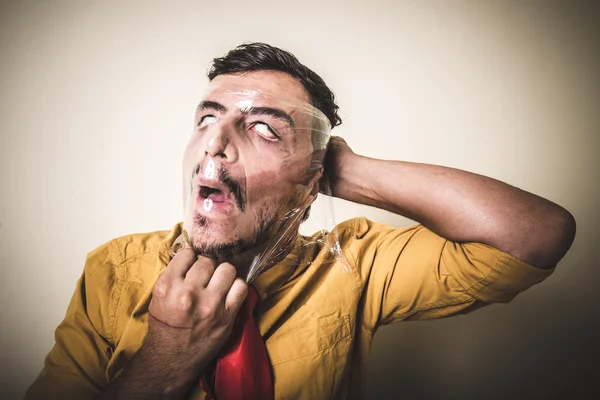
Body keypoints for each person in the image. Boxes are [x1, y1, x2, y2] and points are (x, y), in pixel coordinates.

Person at [25, 43, 576, 400]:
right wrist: (164, 359)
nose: (214, 145)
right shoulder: (112, 273)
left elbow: (536, 234)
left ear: (312, 179)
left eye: (263, 129)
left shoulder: (356, 265)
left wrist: (341, 168)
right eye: (206, 119)